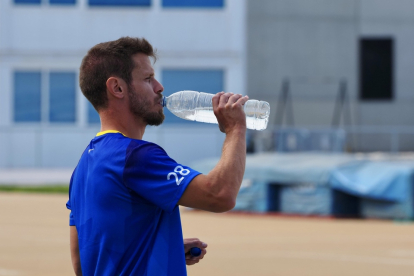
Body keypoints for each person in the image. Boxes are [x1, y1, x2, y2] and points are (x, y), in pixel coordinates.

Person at [66, 36, 248, 276]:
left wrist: (157, 247)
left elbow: (82, 258)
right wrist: (236, 129)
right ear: (117, 88)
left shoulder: (84, 164)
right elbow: (219, 195)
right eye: (148, 79)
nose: (159, 87)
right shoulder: (135, 155)